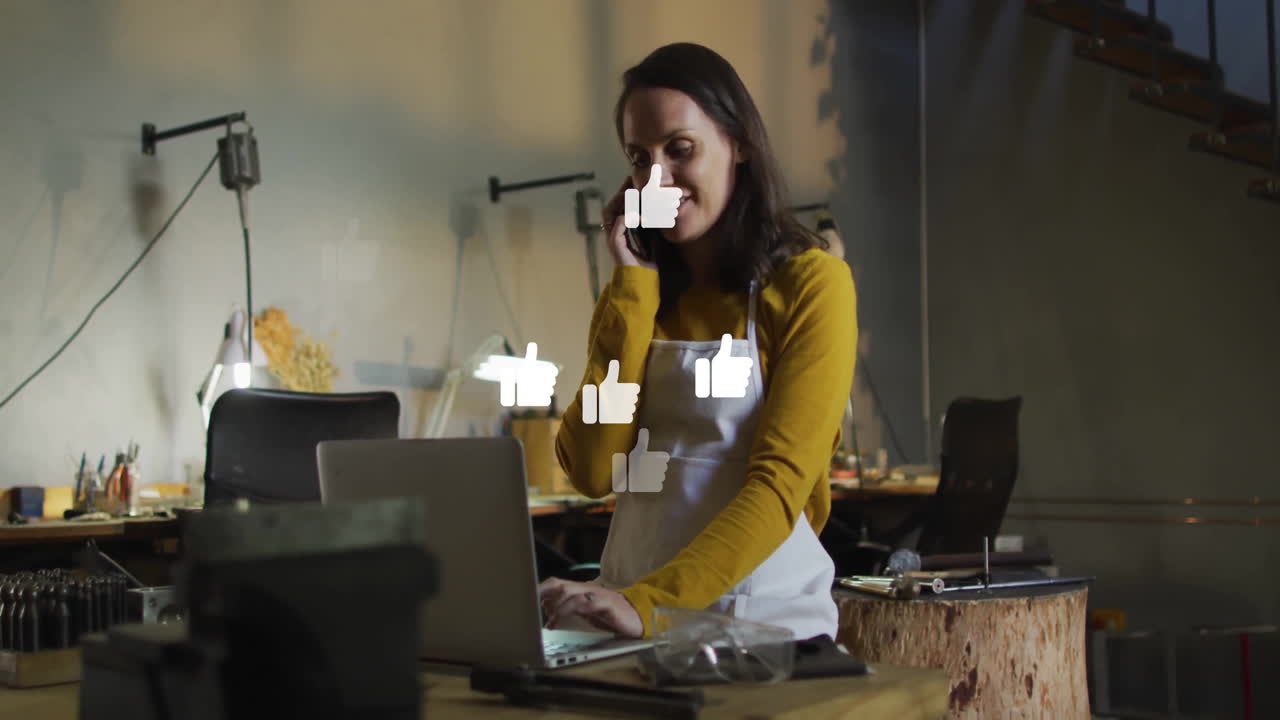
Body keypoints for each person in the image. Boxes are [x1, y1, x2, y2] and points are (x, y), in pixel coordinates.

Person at [540, 42, 857, 641]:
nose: (656, 178)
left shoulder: (812, 284)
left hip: (758, 633)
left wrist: (650, 602)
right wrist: (632, 286)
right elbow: (592, 467)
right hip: (625, 619)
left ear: (737, 145)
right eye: (639, 159)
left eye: (680, 150)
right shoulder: (637, 297)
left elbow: (778, 486)